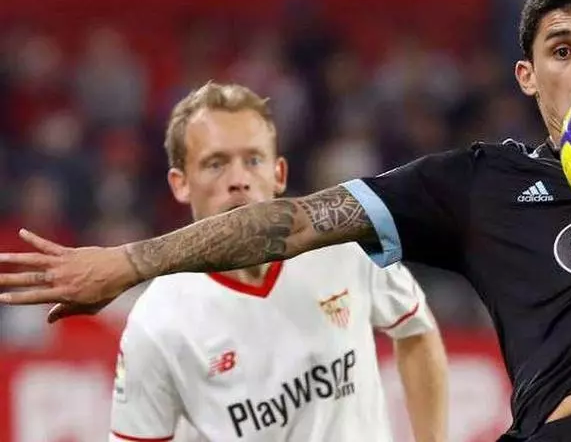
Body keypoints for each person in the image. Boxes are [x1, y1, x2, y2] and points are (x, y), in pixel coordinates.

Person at [0, 0, 571, 442]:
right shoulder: (475, 183)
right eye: (561, 50)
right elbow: (291, 220)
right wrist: (129, 261)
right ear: (527, 77)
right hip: (568, 428)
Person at [106, 83, 448, 441]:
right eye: (215, 164)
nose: (239, 180)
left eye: (253, 160)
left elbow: (416, 332)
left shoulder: (343, 243)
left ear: (279, 174)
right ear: (181, 184)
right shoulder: (157, 320)